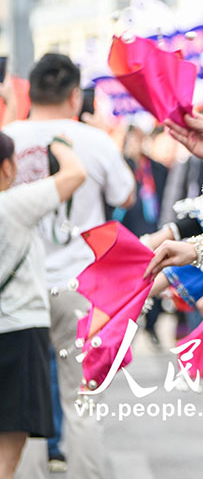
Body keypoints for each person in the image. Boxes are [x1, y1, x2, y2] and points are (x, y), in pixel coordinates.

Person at [3, 53, 134, 479]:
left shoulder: (8, 136)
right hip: (81, 286)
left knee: (23, 404)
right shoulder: (93, 141)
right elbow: (127, 196)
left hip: (19, 292)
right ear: (75, 94)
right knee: (81, 398)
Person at [0, 133, 85, 479]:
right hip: (19, 333)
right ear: (7, 167)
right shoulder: (12, 204)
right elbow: (75, 174)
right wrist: (60, 145)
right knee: (7, 454)